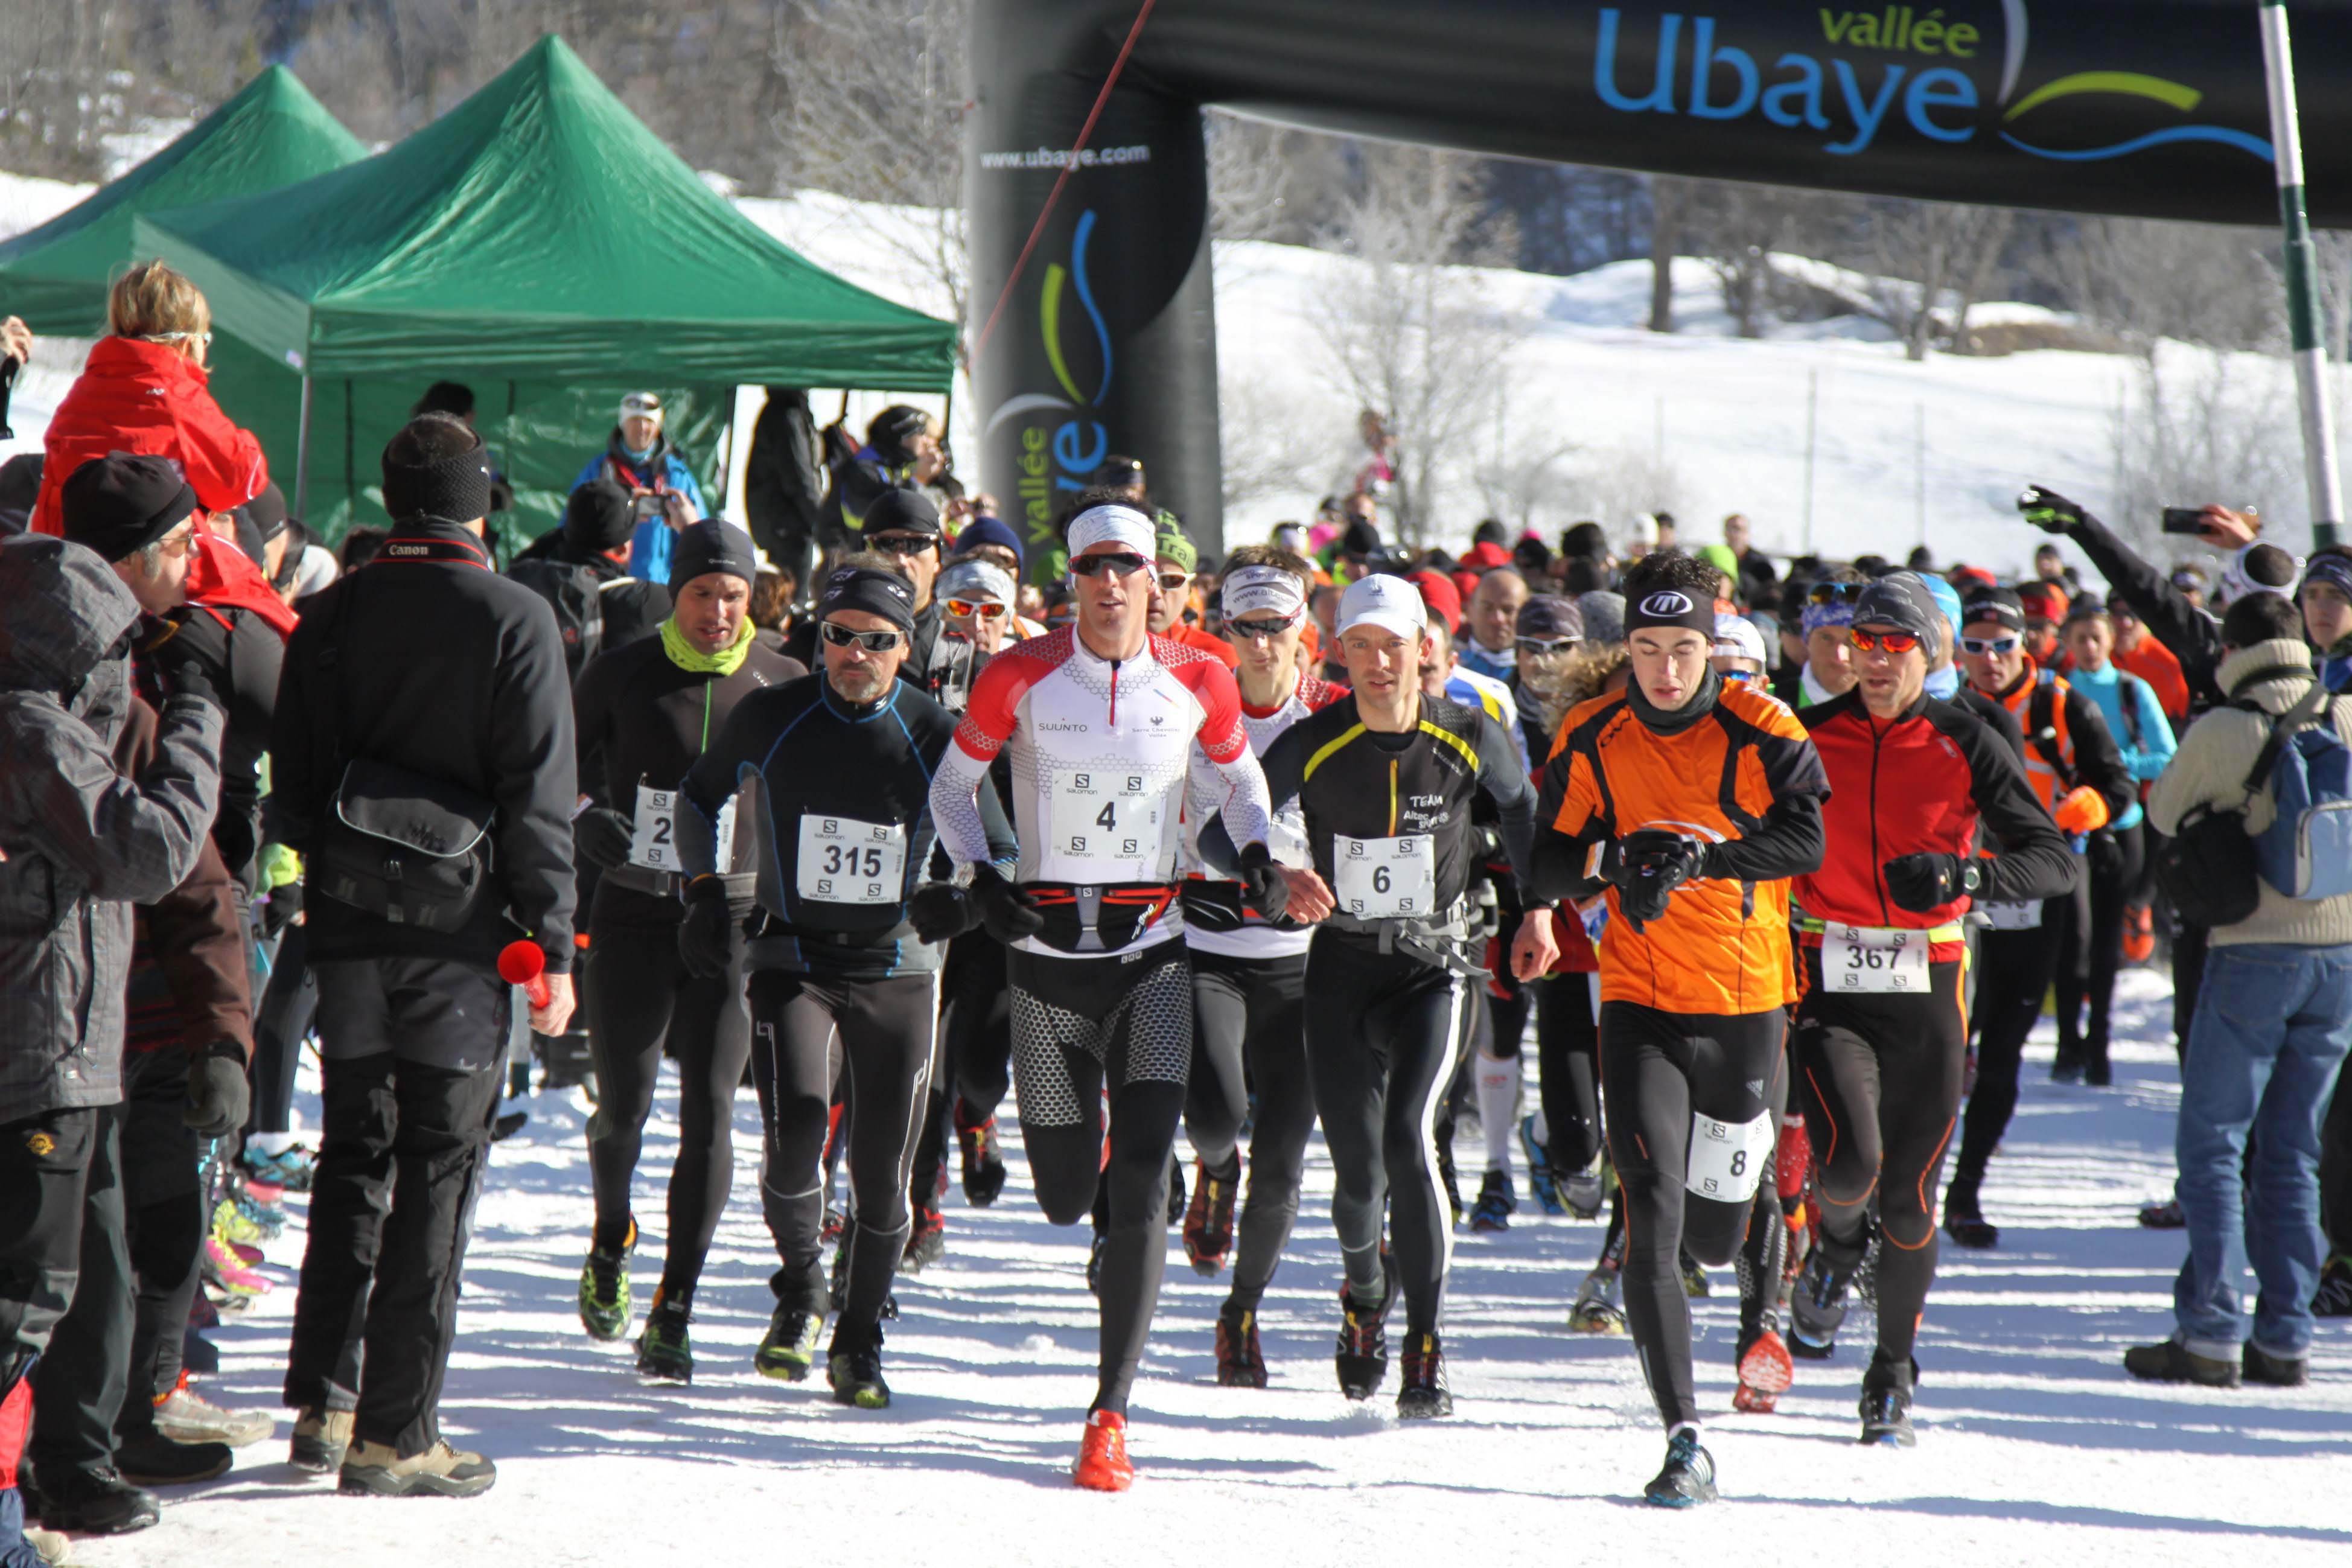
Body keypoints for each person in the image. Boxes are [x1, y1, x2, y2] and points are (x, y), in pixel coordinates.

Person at [925, 499, 1277, 1491]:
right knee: (1064, 1192)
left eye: (1131, 567)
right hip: (1046, 968)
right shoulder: (1019, 675)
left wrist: (1253, 852)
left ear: (1156, 580)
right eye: (1094, 569)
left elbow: (1241, 783)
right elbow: (952, 790)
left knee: (1137, 1192)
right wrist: (980, 874)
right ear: (1071, 581)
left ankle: (1108, 1411)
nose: (1113, 583)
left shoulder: (1200, 675)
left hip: (1153, 958)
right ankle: (1107, 1201)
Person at [272, 413, 578, 1499]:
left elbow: (295, 793)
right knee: (437, 1166)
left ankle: (325, 1402)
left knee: (353, 1152)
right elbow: (539, 798)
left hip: (346, 929)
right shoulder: (516, 617)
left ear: (396, 500)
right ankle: (397, 1434)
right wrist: (551, 944)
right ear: (480, 501)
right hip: (463, 941)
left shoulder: (328, 614)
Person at [665, 558, 1012, 1406]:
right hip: (793, 960)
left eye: (877, 640)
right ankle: (803, 1287)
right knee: (794, 1144)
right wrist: (704, 889)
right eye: (839, 636)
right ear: (818, 639)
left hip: (897, 968)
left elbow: (999, 851)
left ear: (904, 648)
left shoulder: (936, 732)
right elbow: (696, 797)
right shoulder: (774, 715)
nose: (855, 652)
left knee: (882, 1171)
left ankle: (860, 1335)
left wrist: (964, 905)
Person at [1525, 550, 1829, 1506]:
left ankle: (1757, 1284)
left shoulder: (1761, 725)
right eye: (1648, 649)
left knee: (1710, 1234)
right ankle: (1683, 1436)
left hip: (1743, 1005)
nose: (1665, 669)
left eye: (1685, 648)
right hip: (1640, 1002)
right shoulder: (1594, 732)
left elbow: (1805, 839)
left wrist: (1703, 857)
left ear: (1713, 641)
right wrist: (1615, 858)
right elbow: (1548, 863)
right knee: (1652, 1213)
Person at [1199, 574, 1537, 1418]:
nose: (1382, 663)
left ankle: (1424, 1342)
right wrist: (1268, 873)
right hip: (1343, 965)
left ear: (1425, 647)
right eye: (1363, 647)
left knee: (1408, 1139)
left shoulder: (1470, 733)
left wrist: (1541, 913)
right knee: (1355, 1179)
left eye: (1396, 645)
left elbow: (1527, 816)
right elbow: (1220, 831)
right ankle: (1362, 1297)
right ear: (1340, 654)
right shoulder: (1312, 741)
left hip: (1435, 966)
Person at [1783, 575, 2076, 1445]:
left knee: (1910, 1200)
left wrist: (1968, 875)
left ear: (1930, 653)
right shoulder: (1808, 737)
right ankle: (1837, 1248)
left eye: (1894, 644)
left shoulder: (1968, 739)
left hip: (1930, 987)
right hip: (1829, 979)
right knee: (1845, 1172)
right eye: (1860, 641)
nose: (1874, 659)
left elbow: (2051, 857)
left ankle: (1891, 1372)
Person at [0, 492, 226, 1548]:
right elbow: (148, 849)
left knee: (78, 1266)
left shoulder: (57, 714)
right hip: (36, 1036)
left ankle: (68, 1467)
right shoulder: (32, 724)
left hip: (73, 1037)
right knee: (28, 1291)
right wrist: (196, 718)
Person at [567, 521, 803, 1374]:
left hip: (730, 926)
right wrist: (586, 813)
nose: (717, 610)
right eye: (703, 593)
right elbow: (554, 759)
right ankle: (610, 1230)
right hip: (634, 913)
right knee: (624, 1110)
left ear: (753, 597)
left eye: (733, 594)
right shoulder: (624, 668)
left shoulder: (782, 679)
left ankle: (675, 1306)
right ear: (678, 593)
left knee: (710, 1110)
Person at [2129, 590, 2352, 1388]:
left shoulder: (2226, 725)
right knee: (2294, 1147)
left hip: (2254, 954)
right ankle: (2286, 1336)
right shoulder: (2345, 714)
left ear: (2233, 650)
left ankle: (2210, 1331)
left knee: (2214, 1142)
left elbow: (2161, 811)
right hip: (2340, 961)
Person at [1174, 546, 1348, 1387]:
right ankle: (1213, 1167)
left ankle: (1241, 1310)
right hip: (1208, 945)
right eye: (1244, 627)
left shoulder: (1339, 713)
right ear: (1224, 631)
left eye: (1275, 626)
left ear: (1303, 631)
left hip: (1303, 966)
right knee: (1215, 1117)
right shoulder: (1191, 706)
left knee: (1284, 1158)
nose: (1259, 644)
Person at [27, 264, 265, 541]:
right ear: (188, 344)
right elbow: (240, 479)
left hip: (67, 549)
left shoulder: (84, 389)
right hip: (144, 558)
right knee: (245, 574)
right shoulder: (178, 396)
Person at [2057, 602, 2175, 1067]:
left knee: (2105, 940)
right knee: (2074, 938)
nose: (2088, 647)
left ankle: (2099, 1043)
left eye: (2095, 638)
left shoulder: (2131, 689)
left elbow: (2166, 755)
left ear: (2110, 642)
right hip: (2069, 829)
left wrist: (2114, 764)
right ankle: (2069, 1042)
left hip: (2122, 826)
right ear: (2065, 642)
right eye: (2079, 638)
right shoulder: (2058, 690)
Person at [508, 479, 672, 683]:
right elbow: (700, 593)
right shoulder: (644, 600)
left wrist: (588, 518)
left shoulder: (522, 578)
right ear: (622, 550)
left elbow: (529, 555)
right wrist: (691, 526)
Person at [571, 392, 707, 588]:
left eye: (649, 422)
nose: (642, 429)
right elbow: (572, 526)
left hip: (659, 590)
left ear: (659, 426)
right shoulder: (598, 472)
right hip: (606, 587)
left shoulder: (676, 476)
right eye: (635, 420)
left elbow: (699, 539)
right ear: (622, 424)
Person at [823, 404, 943, 549]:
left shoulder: (896, 467)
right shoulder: (863, 469)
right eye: (921, 433)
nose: (927, 441)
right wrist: (916, 480)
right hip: (859, 560)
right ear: (902, 436)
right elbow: (887, 516)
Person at [742, 388, 824, 588]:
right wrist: (823, 525)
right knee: (790, 600)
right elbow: (799, 477)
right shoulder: (788, 416)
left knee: (785, 596)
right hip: (788, 526)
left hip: (785, 524)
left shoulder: (790, 413)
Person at [1458, 567, 1529, 682]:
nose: (1497, 619)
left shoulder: (1537, 675)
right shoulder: (1449, 669)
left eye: (1508, 610)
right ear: (1470, 610)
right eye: (1488, 608)